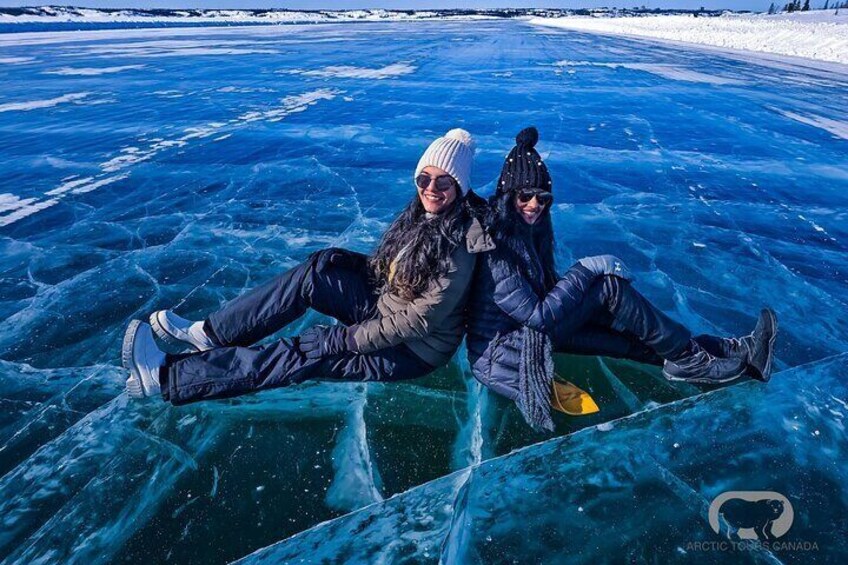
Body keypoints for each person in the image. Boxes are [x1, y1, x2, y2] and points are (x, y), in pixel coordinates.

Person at [122, 128, 494, 404]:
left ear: (460, 186)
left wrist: (344, 338)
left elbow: (418, 321)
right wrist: (357, 264)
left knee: (305, 352)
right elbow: (401, 274)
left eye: (443, 181)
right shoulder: (425, 216)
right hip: (385, 306)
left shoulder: (458, 242)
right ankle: (212, 335)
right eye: (424, 178)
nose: (431, 188)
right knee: (318, 272)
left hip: (411, 348)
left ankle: (166, 377)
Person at [465, 127, 777, 431]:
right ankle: (695, 360)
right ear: (507, 195)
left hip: (529, 332)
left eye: (543, 198)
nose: (534, 205)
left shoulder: (525, 232)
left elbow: (543, 294)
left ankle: (738, 354)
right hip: (509, 346)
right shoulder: (498, 244)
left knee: (633, 337)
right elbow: (537, 317)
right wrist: (586, 269)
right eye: (525, 196)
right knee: (609, 287)